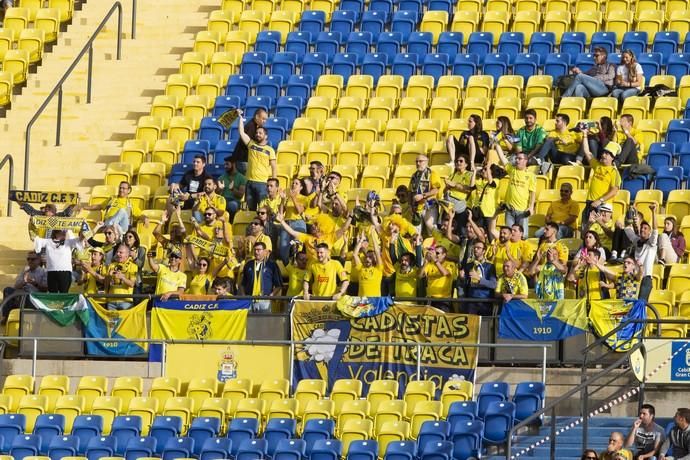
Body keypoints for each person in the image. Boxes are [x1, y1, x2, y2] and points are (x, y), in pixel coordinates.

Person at [581, 136, 622, 235]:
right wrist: (585, 135)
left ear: (612, 157)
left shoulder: (614, 172)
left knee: (601, 234)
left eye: (607, 154)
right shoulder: (598, 165)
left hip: (603, 207)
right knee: (586, 233)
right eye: (604, 152)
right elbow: (587, 152)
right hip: (590, 203)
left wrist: (600, 200)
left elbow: (614, 191)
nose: (603, 155)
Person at [238, 109, 277, 210]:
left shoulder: (270, 150)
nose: (258, 134)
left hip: (262, 183)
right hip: (249, 182)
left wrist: (274, 183)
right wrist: (240, 119)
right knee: (251, 209)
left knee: (262, 209)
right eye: (257, 133)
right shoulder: (251, 145)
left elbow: (274, 167)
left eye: (260, 133)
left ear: (266, 136)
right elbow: (242, 133)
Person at [495, 149, 536, 236]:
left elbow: (532, 192)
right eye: (516, 158)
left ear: (525, 160)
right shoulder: (512, 170)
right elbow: (503, 159)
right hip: (510, 209)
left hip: (522, 211)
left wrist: (531, 207)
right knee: (508, 235)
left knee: (522, 235)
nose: (517, 160)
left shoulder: (531, 175)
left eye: (519, 159)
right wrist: (497, 145)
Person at [34, 229, 85, 293]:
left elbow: (81, 239)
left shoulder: (69, 242)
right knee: (53, 295)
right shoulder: (48, 241)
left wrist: (85, 229)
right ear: (56, 233)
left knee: (64, 293)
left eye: (65, 231)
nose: (64, 232)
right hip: (51, 272)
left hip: (65, 272)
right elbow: (35, 238)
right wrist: (33, 225)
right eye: (62, 231)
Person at [624, 204, 658, 302]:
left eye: (645, 228)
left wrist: (653, 212)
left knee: (641, 304)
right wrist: (630, 213)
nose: (643, 230)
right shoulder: (636, 240)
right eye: (642, 228)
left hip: (646, 279)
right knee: (632, 304)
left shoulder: (652, 243)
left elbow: (655, 229)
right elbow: (627, 228)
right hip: (635, 277)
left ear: (649, 232)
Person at [2, 251, 48, 320]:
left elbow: (45, 289)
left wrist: (35, 283)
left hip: (33, 297)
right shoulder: (25, 270)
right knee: (7, 290)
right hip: (21, 294)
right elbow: (16, 286)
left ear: (38, 260)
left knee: (20, 298)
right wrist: (24, 281)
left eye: (33, 259)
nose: (30, 261)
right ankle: (6, 316)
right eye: (28, 259)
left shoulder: (44, 272)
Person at [239, 242, 282, 312]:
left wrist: (270, 296)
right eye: (255, 250)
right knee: (250, 322)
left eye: (259, 250)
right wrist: (244, 296)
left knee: (264, 321)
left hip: (264, 300)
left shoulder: (271, 265)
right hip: (249, 299)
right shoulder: (248, 265)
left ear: (265, 251)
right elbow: (243, 283)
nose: (256, 252)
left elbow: (278, 284)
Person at [459, 240, 497, 315]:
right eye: (474, 248)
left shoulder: (490, 266)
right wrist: (462, 278)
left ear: (484, 251)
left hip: (485, 301)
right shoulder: (469, 265)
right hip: (471, 301)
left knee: (485, 324)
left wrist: (479, 279)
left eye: (478, 248)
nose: (475, 249)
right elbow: (466, 284)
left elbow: (493, 284)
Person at [278, 177, 308, 264]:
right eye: (293, 183)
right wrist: (283, 200)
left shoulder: (304, 198)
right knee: (283, 249)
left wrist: (294, 197)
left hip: (298, 224)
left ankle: (296, 268)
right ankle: (288, 268)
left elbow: (299, 210)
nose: (293, 185)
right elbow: (281, 212)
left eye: (296, 183)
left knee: (297, 248)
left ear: (301, 187)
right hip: (287, 223)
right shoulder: (288, 197)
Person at [409, 154, 442, 231]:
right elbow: (410, 191)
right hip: (416, 208)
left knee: (431, 229)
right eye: (416, 161)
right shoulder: (414, 175)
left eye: (420, 161)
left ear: (426, 162)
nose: (418, 163)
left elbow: (436, 190)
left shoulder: (433, 174)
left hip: (430, 206)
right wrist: (410, 205)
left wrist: (423, 196)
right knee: (415, 231)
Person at [232, 108, 267, 175]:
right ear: (257, 117)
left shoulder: (255, 126)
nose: (264, 121)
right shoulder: (251, 127)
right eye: (263, 118)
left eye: (265, 119)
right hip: (244, 160)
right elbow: (247, 142)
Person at [421, 245, 458, 310]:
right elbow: (420, 275)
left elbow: (445, 273)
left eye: (437, 253)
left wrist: (435, 261)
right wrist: (425, 262)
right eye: (434, 252)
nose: (435, 255)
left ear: (444, 255)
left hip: (443, 299)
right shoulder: (430, 264)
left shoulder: (450, 264)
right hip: (429, 298)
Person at [443, 154, 472, 231]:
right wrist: (447, 187)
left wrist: (454, 184)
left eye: (461, 161)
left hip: (460, 206)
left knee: (460, 229)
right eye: (457, 161)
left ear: (466, 164)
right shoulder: (453, 174)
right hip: (449, 204)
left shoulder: (469, 174)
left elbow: (469, 189)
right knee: (447, 227)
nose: (458, 163)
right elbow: (444, 190)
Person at [105, 244, 138, 310]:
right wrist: (109, 276)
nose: (118, 254)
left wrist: (122, 277)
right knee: (112, 320)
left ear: (127, 254)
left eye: (121, 252)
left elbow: (132, 284)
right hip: (111, 302)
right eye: (117, 252)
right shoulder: (111, 265)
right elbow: (106, 284)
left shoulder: (133, 266)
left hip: (125, 301)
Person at [353, 231, 384, 297]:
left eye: (370, 257)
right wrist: (361, 240)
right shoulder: (361, 268)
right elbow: (354, 255)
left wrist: (372, 235)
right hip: (362, 303)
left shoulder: (378, 269)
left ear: (374, 259)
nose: (367, 259)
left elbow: (377, 252)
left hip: (375, 302)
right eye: (366, 257)